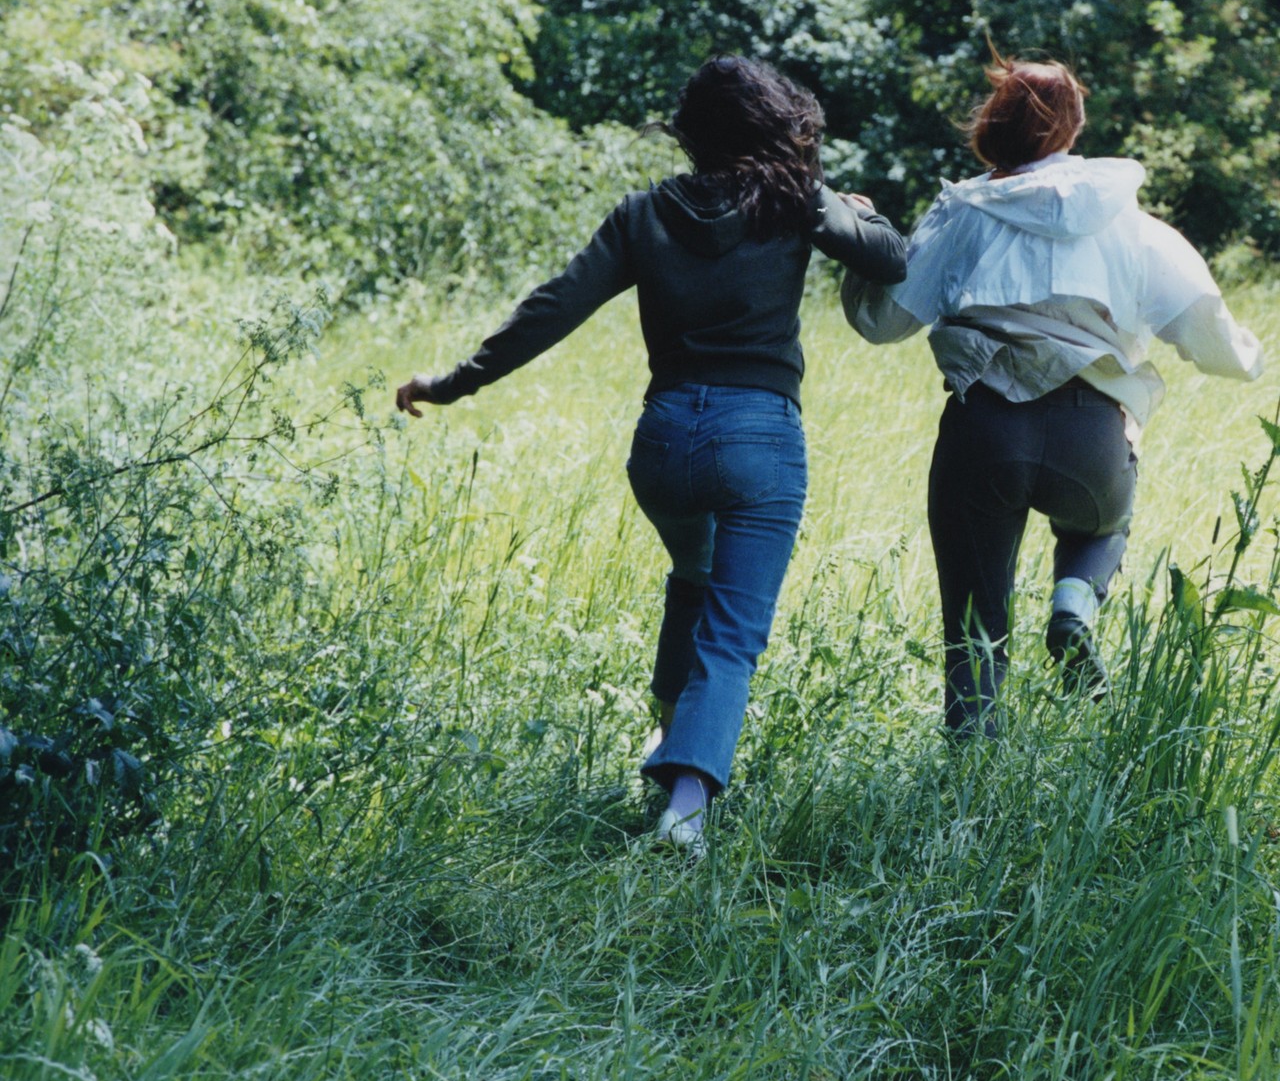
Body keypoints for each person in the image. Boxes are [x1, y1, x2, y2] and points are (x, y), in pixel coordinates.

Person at [396, 55, 907, 848]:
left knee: (693, 577)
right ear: (774, 125)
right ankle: (687, 806)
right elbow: (891, 256)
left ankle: (669, 743)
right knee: (733, 630)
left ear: (692, 133)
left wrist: (454, 383)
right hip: (759, 440)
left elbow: (553, 309)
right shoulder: (794, 200)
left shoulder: (643, 214)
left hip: (665, 441)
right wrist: (839, 204)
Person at [842, 47, 1263, 738]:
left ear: (991, 126)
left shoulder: (962, 212)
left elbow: (882, 322)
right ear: (1073, 127)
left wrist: (860, 243)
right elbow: (1211, 334)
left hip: (983, 431)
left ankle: (973, 765)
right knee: (1104, 526)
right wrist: (1248, 355)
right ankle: (1074, 601)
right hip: (1089, 437)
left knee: (974, 622)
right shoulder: (1128, 219)